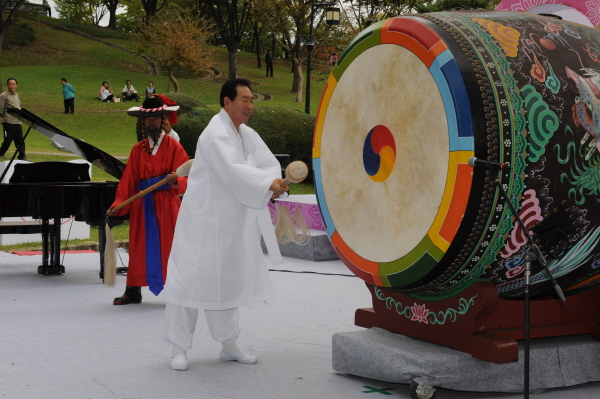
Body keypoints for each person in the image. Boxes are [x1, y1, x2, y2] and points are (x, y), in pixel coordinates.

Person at [162, 78, 288, 371]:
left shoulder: (247, 134)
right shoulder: (214, 134)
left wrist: (276, 182)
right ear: (226, 102)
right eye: (244, 99)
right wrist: (268, 183)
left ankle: (229, 343)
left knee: (227, 280)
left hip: (232, 222)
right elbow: (235, 169)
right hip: (203, 222)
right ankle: (178, 348)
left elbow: (265, 162)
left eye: (252, 100)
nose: (249, 105)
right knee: (188, 282)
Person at [107, 96, 189, 305]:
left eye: (155, 118)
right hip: (143, 206)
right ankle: (133, 291)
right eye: (147, 118)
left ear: (163, 119)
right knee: (138, 246)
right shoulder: (137, 149)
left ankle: (179, 291)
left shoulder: (173, 146)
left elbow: (187, 174)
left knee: (171, 247)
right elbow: (129, 181)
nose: (151, 122)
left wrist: (174, 180)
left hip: (167, 204)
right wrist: (119, 204)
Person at [0, 78, 28, 161]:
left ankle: (22, 156)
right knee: (8, 139)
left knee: (20, 140)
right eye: (10, 84)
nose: (11, 86)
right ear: (7, 85)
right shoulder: (3, 95)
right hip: (8, 122)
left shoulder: (17, 95)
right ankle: (1, 153)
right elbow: (0, 109)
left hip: (18, 122)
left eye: (13, 84)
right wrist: (5, 117)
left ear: (16, 85)